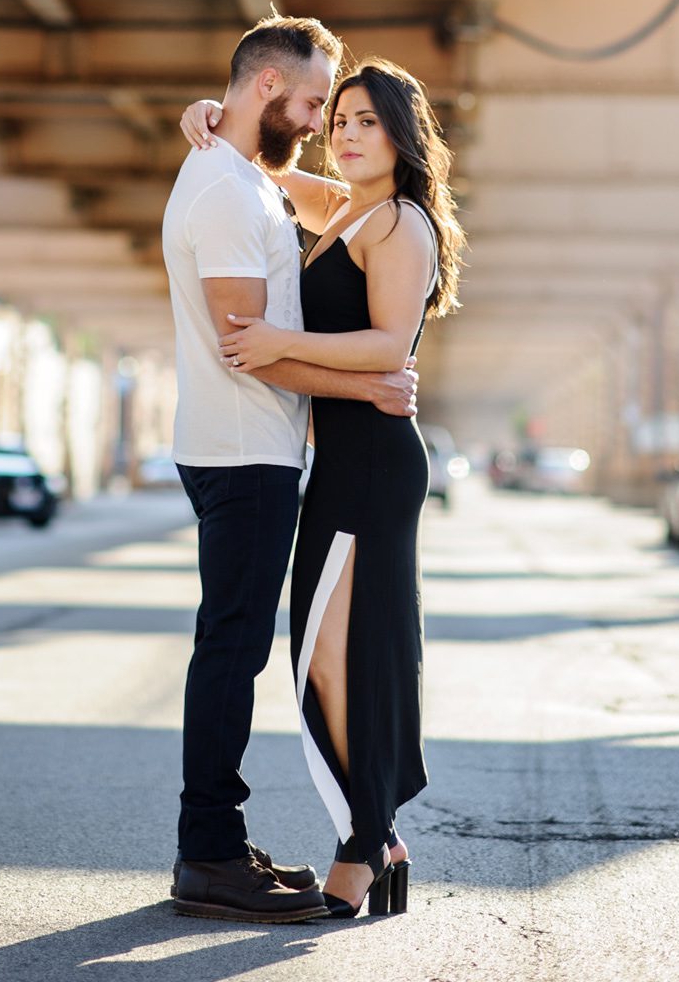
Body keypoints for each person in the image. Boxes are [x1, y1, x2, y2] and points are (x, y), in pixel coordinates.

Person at [182, 56, 464, 919]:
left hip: (376, 465)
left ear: (402, 134)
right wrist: (205, 115)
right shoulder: (347, 209)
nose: (343, 133)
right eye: (336, 119)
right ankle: (375, 832)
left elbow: (390, 348)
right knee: (323, 653)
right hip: (340, 461)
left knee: (350, 660)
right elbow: (261, 164)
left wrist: (273, 341)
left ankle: (363, 842)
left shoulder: (400, 223)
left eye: (364, 121)